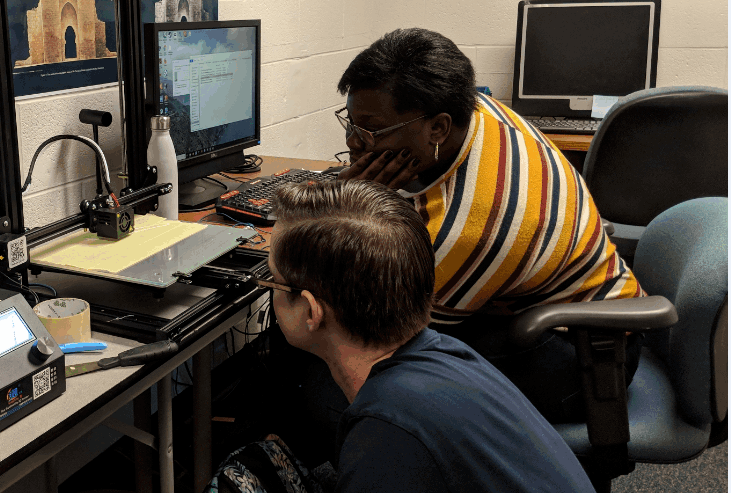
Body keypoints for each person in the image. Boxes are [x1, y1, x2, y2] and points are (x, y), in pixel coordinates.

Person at [329, 27, 644, 424]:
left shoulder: (469, 226)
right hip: (525, 306)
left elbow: (395, 335)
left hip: (582, 358)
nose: (354, 144)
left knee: (360, 372)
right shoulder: (476, 109)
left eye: (369, 131)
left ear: (438, 128)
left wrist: (348, 209)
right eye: (351, 124)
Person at [246, 179, 595, 493]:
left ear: (310, 311)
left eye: (272, 279)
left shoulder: (388, 435)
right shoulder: (446, 353)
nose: (270, 288)